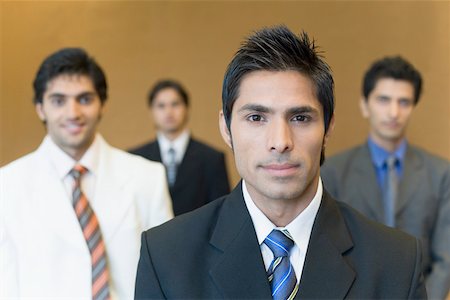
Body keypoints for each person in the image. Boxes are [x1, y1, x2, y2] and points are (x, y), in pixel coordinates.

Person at [135, 26, 426, 299]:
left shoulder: (397, 261)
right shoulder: (166, 255)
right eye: (256, 118)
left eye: (300, 118)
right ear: (226, 128)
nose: (280, 141)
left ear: (328, 127)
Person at [0, 48, 174, 299]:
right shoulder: (7, 185)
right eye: (58, 101)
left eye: (84, 99)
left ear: (102, 104)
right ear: (40, 108)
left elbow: (166, 275)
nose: (73, 113)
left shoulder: (147, 177)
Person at [321, 55, 450, 299]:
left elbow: (446, 259)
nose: (394, 112)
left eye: (404, 102)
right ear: (364, 104)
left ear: (413, 107)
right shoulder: (334, 171)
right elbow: (327, 253)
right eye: (383, 100)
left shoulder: (441, 173)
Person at [129, 79, 230, 215]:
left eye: (175, 104)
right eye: (161, 106)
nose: (169, 112)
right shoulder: (135, 158)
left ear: (187, 108)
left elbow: (221, 211)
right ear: (151, 112)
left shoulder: (212, 158)